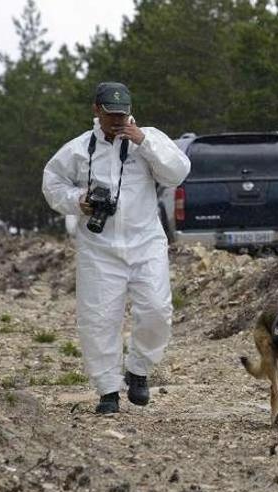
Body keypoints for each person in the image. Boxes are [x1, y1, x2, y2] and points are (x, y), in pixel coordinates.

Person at [42, 82, 190, 414]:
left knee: (156, 310)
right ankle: (107, 389)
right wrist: (77, 201)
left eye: (122, 114)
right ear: (97, 110)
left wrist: (145, 141)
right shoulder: (78, 149)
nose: (117, 120)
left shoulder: (147, 138)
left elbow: (178, 172)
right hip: (99, 247)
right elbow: (51, 183)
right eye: (111, 114)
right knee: (98, 319)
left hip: (145, 243)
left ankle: (138, 369)